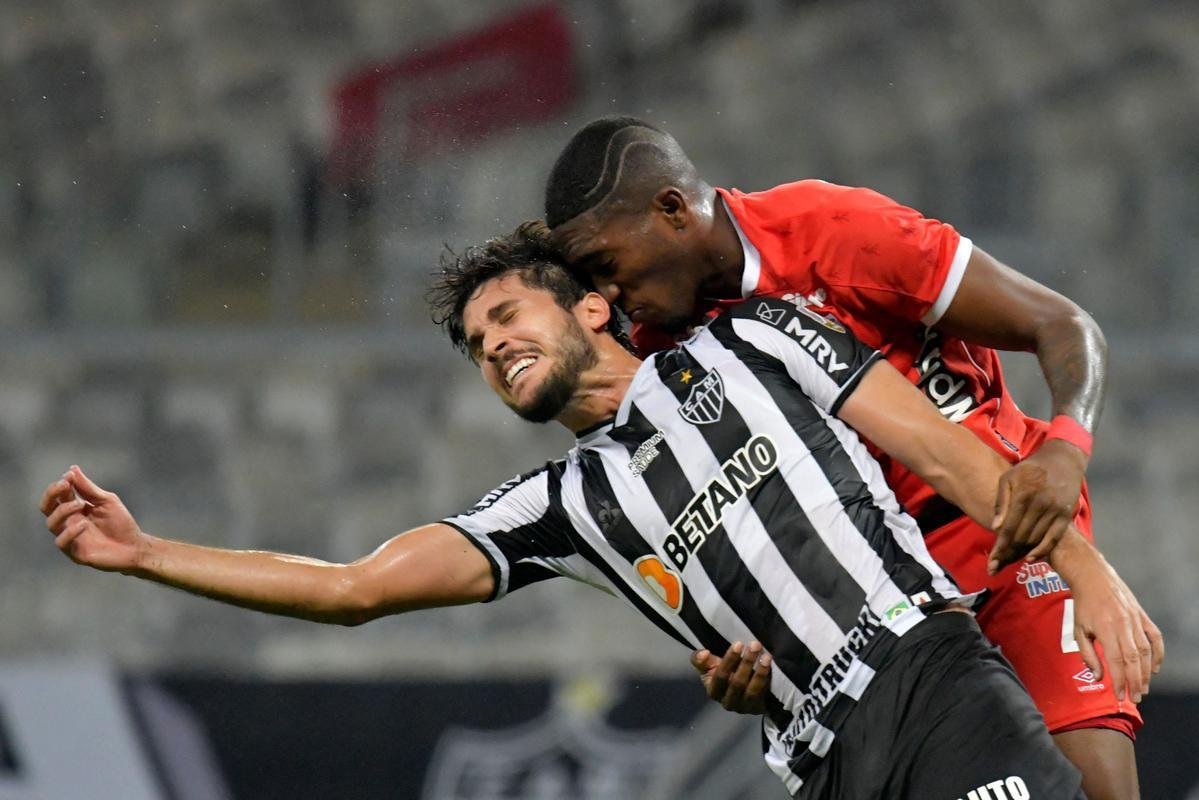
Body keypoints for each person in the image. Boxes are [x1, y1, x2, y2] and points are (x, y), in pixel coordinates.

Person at [41, 224, 1149, 798]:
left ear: (588, 305)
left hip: (934, 676)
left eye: (505, 315)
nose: (493, 345)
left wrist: (1087, 573)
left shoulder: (756, 338)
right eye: (476, 346)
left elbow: (948, 456)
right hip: (823, 759)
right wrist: (144, 554)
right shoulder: (560, 502)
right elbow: (353, 587)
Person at [544, 117, 1162, 799]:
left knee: (1098, 785)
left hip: (1005, 542)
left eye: (605, 265)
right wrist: (753, 671)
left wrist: (1066, 452)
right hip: (886, 623)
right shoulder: (667, 357)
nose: (608, 295)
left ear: (670, 210)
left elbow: (1059, 324)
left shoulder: (830, 229)